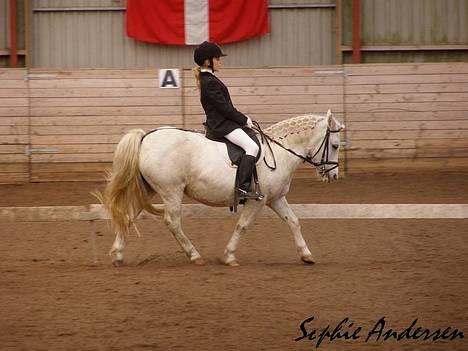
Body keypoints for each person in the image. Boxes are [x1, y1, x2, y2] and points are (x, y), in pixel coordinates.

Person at [193, 41, 263, 201]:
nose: (220, 62)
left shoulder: (209, 79)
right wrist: (244, 119)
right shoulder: (209, 81)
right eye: (217, 59)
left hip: (225, 123)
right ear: (207, 61)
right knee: (252, 147)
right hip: (222, 126)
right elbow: (224, 108)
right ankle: (242, 189)